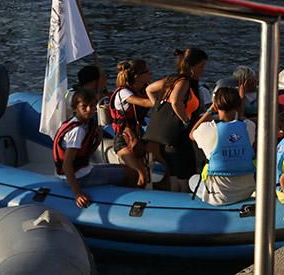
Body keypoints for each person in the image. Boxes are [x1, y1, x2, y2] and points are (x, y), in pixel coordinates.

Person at [53, 88, 138, 208]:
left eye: (92, 106)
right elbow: (67, 165)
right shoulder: (77, 130)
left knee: (123, 169)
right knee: (132, 174)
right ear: (75, 107)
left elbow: (82, 156)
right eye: (84, 107)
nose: (89, 110)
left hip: (80, 171)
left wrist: (97, 142)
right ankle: (126, 206)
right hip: (79, 177)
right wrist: (77, 193)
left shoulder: (80, 123)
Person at [144, 48, 208, 189]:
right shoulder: (184, 82)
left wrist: (157, 106)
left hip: (169, 136)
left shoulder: (171, 79)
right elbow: (175, 101)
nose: (203, 70)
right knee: (184, 170)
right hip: (178, 135)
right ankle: (183, 196)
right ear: (192, 67)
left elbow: (149, 89)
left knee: (175, 170)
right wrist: (186, 120)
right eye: (201, 66)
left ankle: (175, 194)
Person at [188, 86, 256, 205]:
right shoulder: (249, 127)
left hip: (220, 196)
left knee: (192, 180)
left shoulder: (207, 130)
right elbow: (241, 120)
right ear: (238, 106)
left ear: (216, 105)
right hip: (247, 191)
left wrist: (209, 111)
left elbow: (191, 134)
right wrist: (240, 102)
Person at [109, 59, 157, 187]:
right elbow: (150, 103)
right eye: (147, 72)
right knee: (140, 174)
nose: (151, 74)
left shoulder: (142, 89)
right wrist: (153, 89)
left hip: (138, 135)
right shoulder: (124, 93)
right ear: (137, 76)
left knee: (160, 160)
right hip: (124, 139)